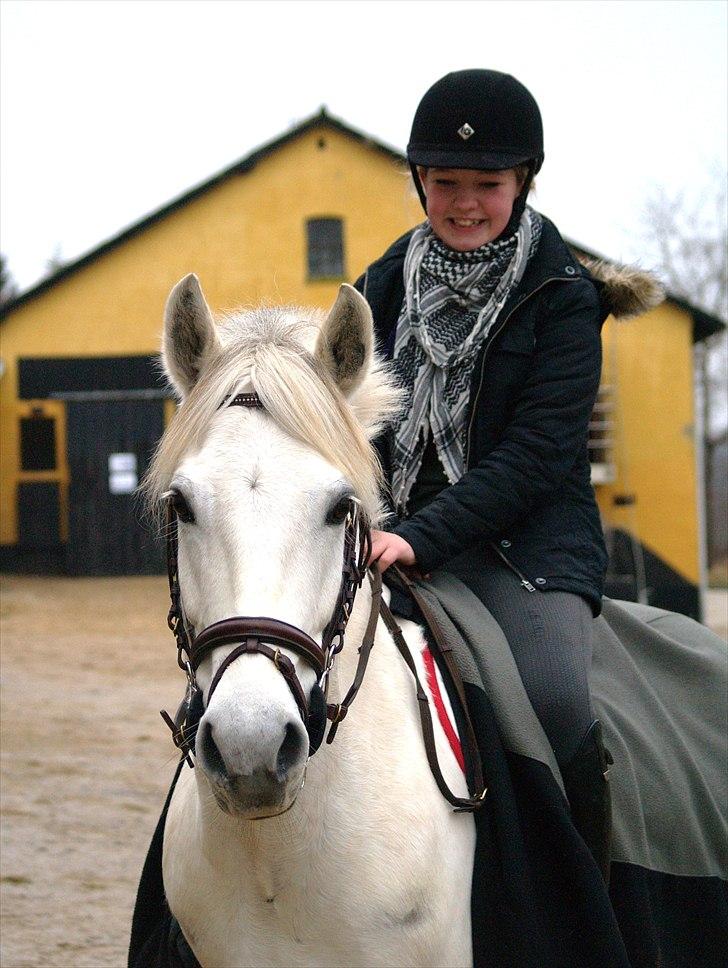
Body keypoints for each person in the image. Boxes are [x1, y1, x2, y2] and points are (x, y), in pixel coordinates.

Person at [355, 69, 613, 878]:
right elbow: (350, 420)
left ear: (524, 182)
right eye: (446, 182)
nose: (465, 202)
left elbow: (539, 456)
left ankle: (589, 884)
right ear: (419, 181)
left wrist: (418, 538)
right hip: (391, 528)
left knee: (557, 696)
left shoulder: (565, 297)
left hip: (526, 547)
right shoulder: (378, 288)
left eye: (488, 184)